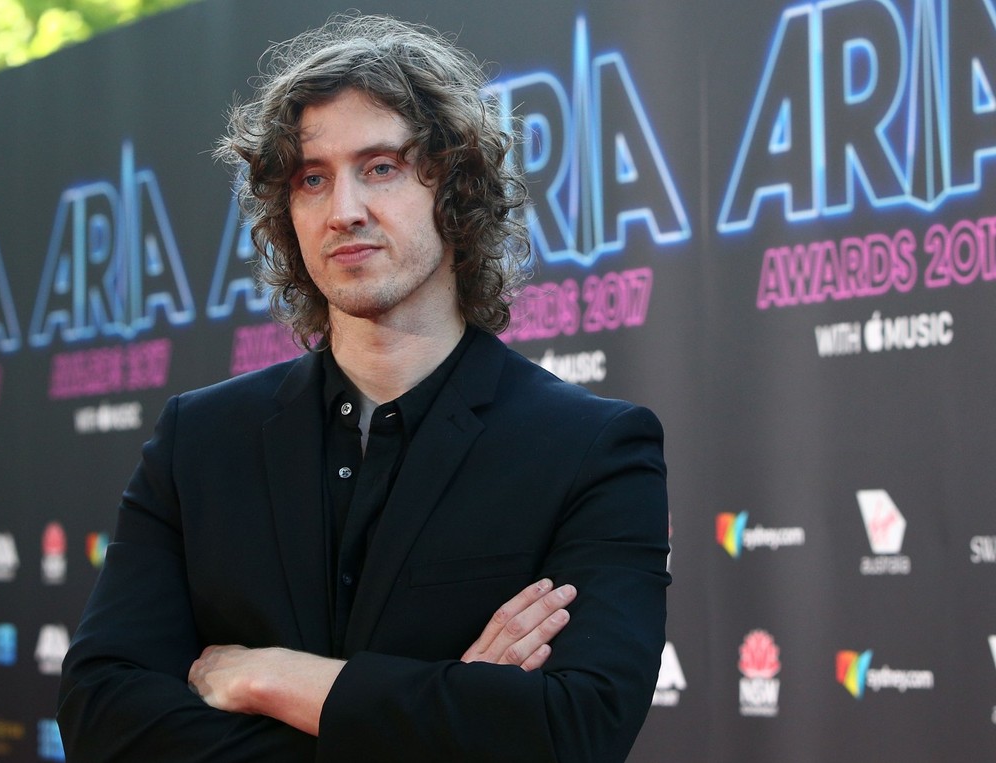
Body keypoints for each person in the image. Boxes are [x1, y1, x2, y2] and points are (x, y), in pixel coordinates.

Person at [57, 13, 669, 763]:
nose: (343, 209)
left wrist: (277, 677)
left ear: (456, 188)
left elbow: (576, 726)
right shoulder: (200, 439)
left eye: (380, 166)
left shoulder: (592, 448)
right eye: (312, 178)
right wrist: (448, 713)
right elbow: (102, 712)